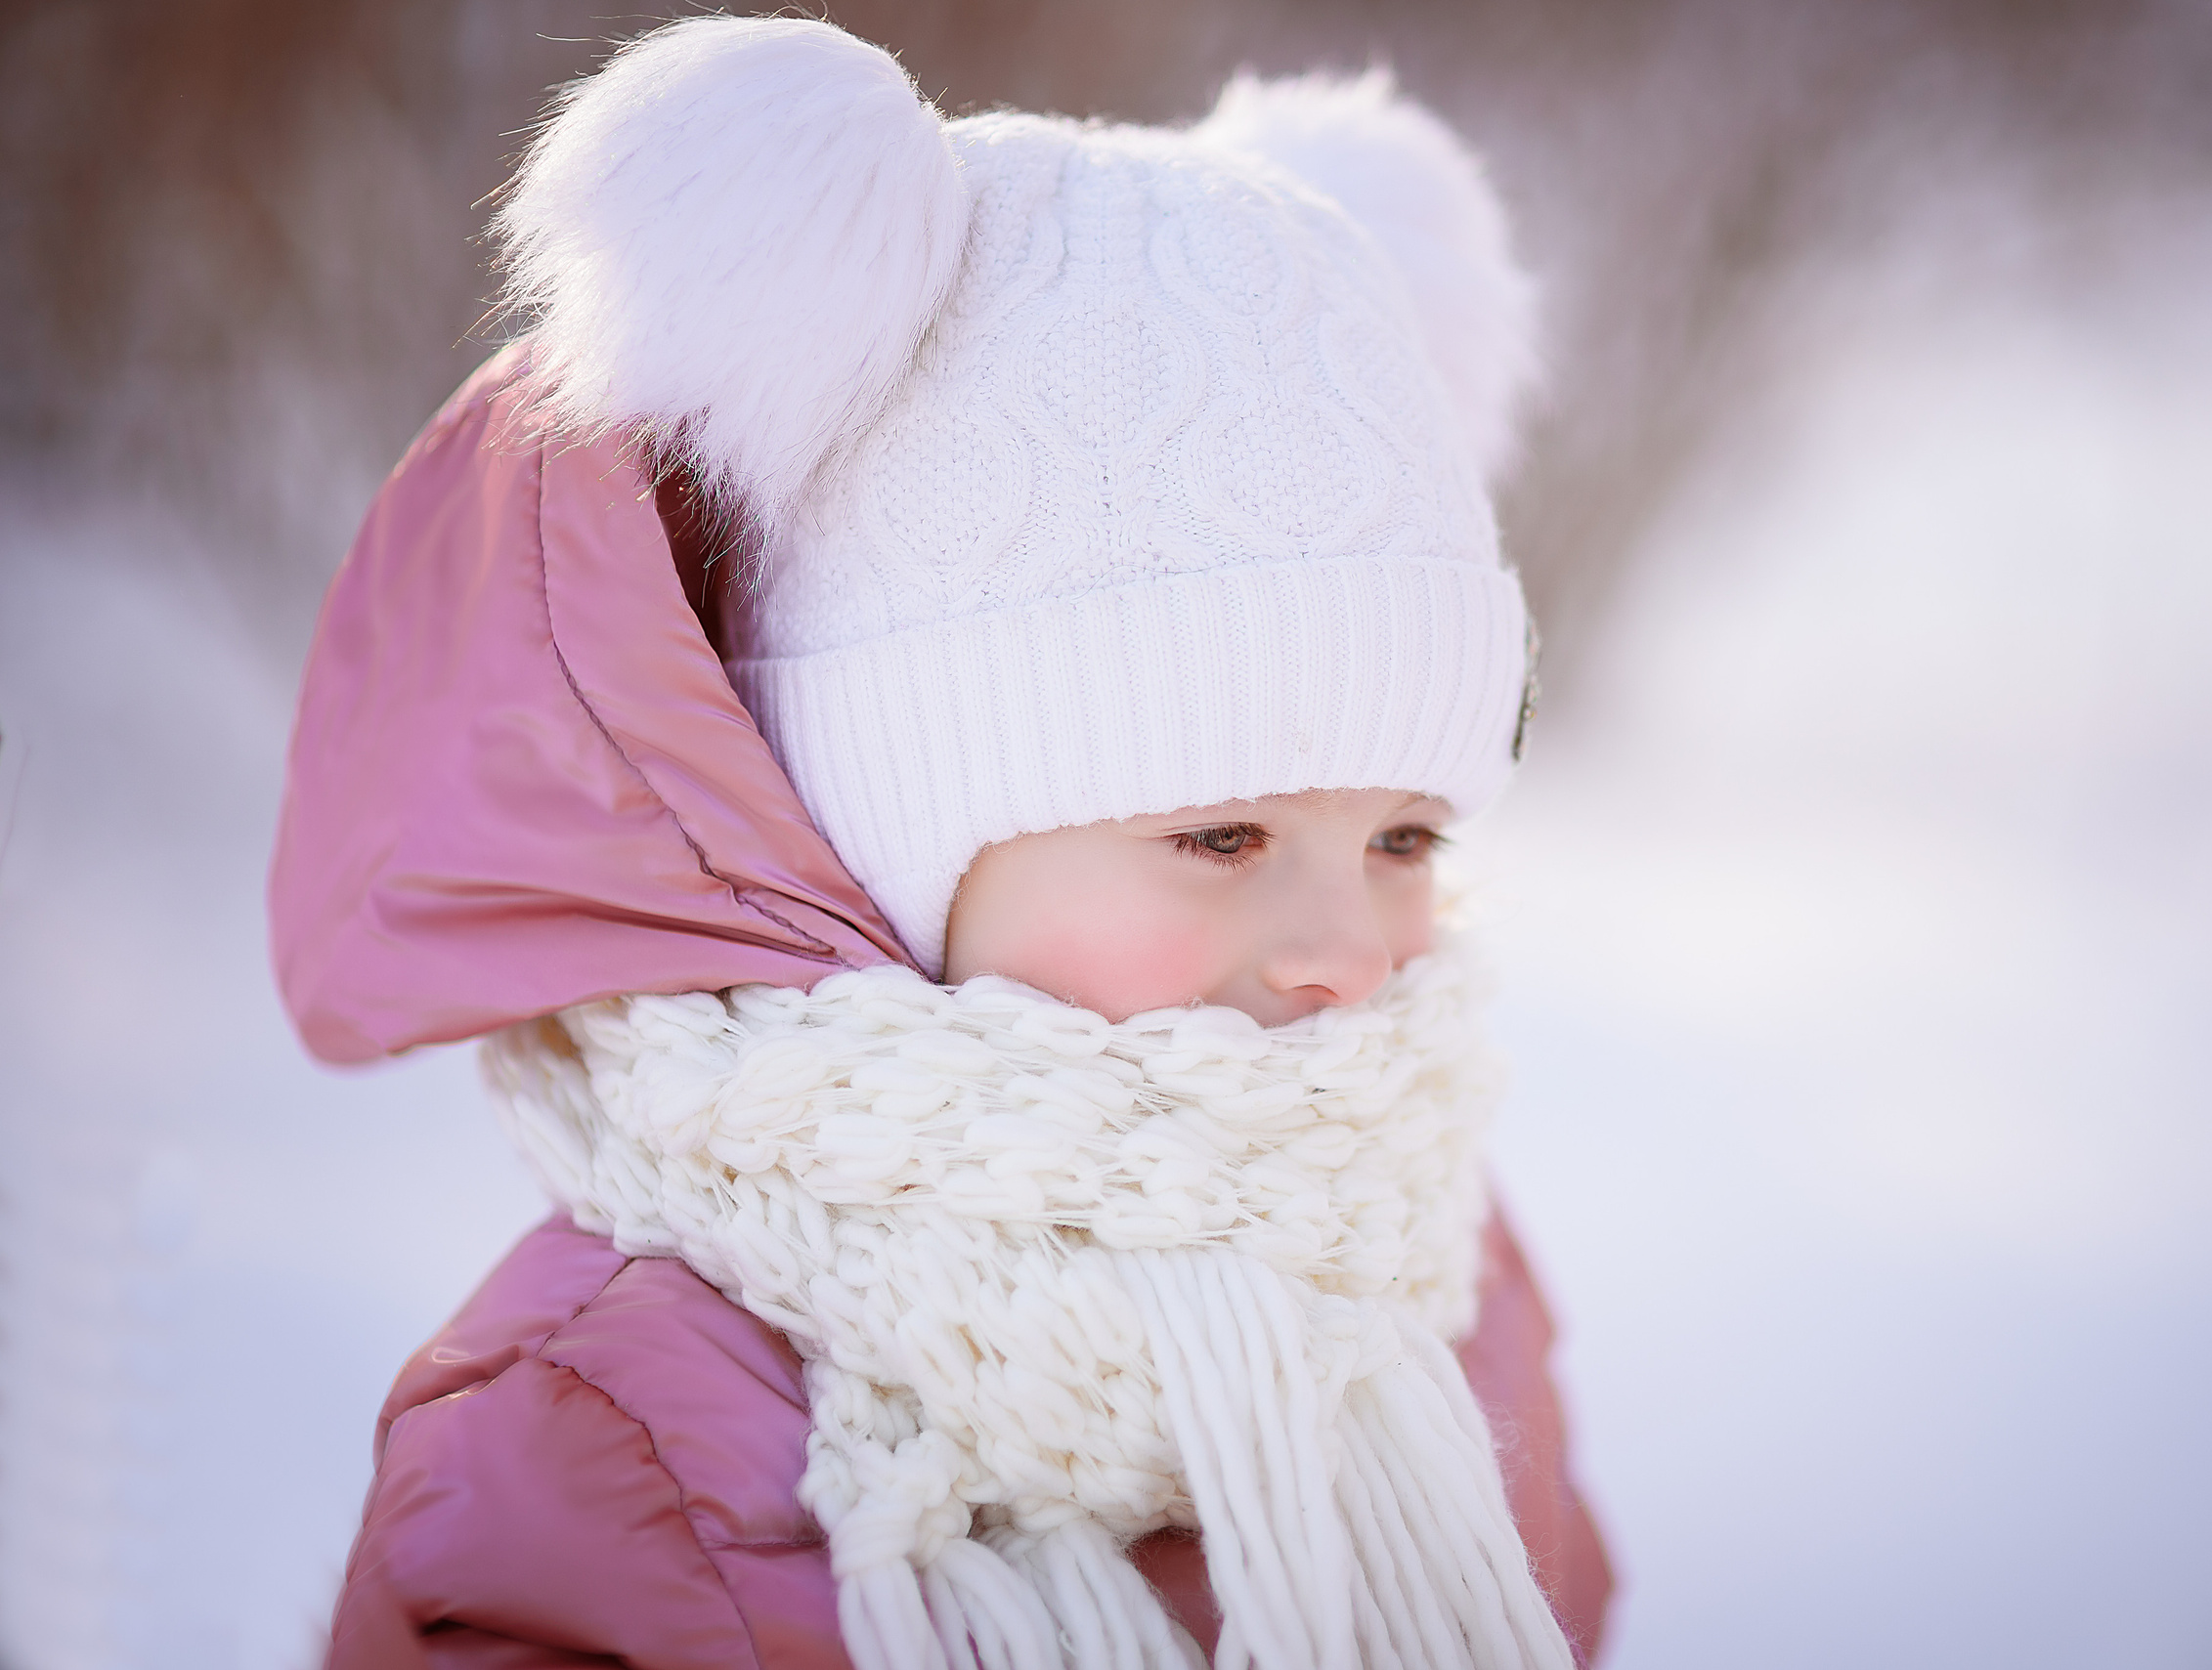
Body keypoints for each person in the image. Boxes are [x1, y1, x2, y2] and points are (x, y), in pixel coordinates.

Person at [274, 17, 1611, 1668]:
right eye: (1220, 832)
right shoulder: (611, 1433)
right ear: (888, 835)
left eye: (1403, 834)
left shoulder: (1425, 1260)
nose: (1346, 949)